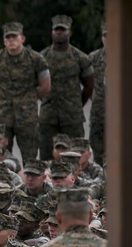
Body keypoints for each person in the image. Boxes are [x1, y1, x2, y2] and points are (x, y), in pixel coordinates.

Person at [0, 22, 50, 162]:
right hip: (2, 116)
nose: (11, 40)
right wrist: (6, 97)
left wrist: (29, 99)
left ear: (22, 38)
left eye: (14, 37)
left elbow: (45, 86)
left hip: (27, 118)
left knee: (30, 159)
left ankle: (30, 184)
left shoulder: (36, 59)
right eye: (8, 37)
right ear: (4, 41)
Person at [39, 15, 94, 161]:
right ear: (51, 32)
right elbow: (35, 83)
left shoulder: (80, 58)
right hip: (48, 118)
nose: (59, 33)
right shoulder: (41, 57)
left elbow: (89, 86)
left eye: (63, 30)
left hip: (72, 119)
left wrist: (76, 104)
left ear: (69, 33)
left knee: (76, 157)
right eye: (56, 30)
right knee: (46, 158)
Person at [88, 26, 106, 164]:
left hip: (123, 114)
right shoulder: (93, 58)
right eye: (106, 36)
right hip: (98, 113)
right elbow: (86, 82)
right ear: (102, 38)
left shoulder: (128, 56)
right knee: (98, 153)